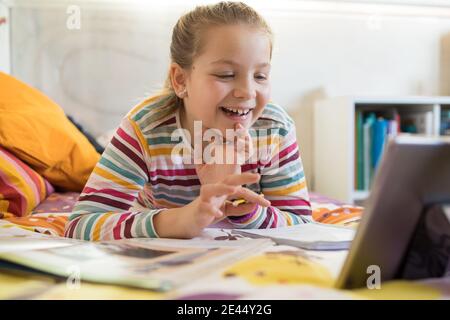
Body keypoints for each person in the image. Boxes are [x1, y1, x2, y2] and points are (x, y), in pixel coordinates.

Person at [64, 1, 311, 241]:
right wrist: (182, 220)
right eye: (226, 74)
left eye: (260, 76)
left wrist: (245, 210)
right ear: (181, 80)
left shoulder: (274, 129)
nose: (247, 91)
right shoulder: (145, 129)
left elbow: (302, 224)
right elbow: (81, 224)